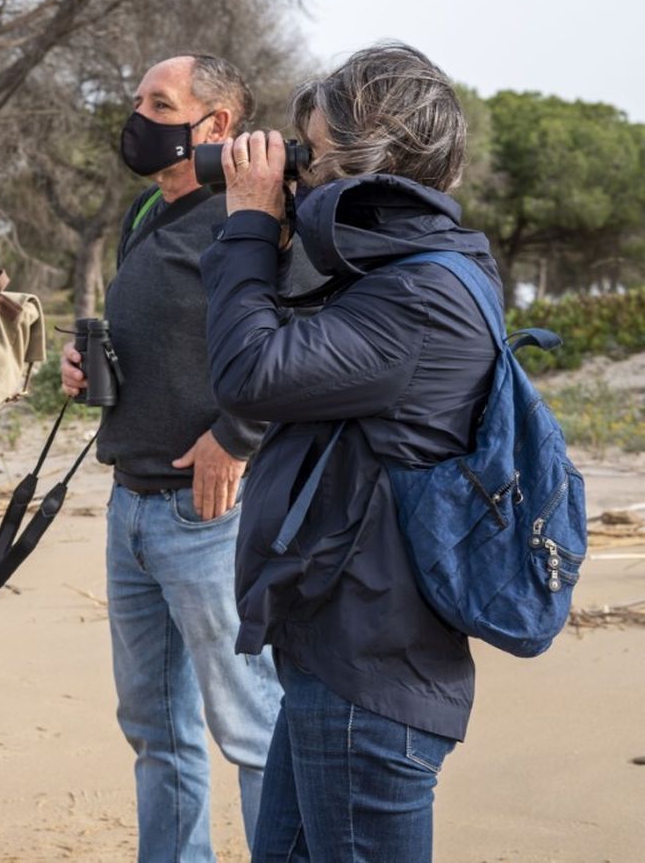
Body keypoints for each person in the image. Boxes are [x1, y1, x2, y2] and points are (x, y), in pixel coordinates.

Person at [200, 43, 497, 860]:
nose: (295, 170)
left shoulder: (420, 293)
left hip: (372, 670)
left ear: (369, 159)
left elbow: (251, 374)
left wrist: (253, 223)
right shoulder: (399, 276)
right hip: (340, 654)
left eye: (311, 151)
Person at [60, 54, 314, 861]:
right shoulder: (145, 209)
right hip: (131, 506)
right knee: (154, 730)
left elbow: (300, 347)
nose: (137, 114)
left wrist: (238, 436)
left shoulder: (256, 219)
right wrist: (84, 368)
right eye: (137, 97)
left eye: (158, 102)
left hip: (208, 516)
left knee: (249, 724)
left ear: (217, 127)